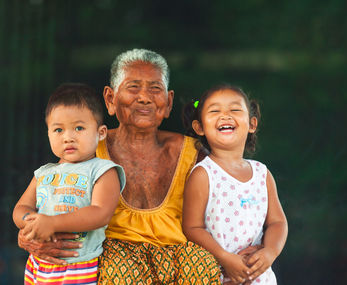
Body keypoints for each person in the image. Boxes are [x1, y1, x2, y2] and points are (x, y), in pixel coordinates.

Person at [18, 49, 222, 284]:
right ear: (110, 99)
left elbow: (226, 208)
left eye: (155, 88)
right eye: (133, 87)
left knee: (205, 266)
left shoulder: (194, 153)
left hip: (178, 255)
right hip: (117, 259)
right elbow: (52, 198)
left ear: (168, 102)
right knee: (118, 273)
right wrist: (28, 236)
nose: (144, 97)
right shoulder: (87, 149)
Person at [13, 83, 126, 284]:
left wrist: (53, 223)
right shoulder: (43, 173)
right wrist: (32, 221)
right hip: (39, 264)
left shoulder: (103, 170)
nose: (68, 137)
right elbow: (20, 208)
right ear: (48, 133)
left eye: (79, 128)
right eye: (58, 130)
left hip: (79, 265)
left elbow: (100, 213)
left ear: (101, 133)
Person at [182, 84, 288, 284]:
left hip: (258, 276)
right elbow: (192, 227)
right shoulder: (204, 174)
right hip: (221, 275)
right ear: (200, 127)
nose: (225, 116)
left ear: (252, 124)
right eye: (215, 111)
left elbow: (277, 222)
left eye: (235, 110)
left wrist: (270, 252)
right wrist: (225, 257)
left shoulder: (261, 173)